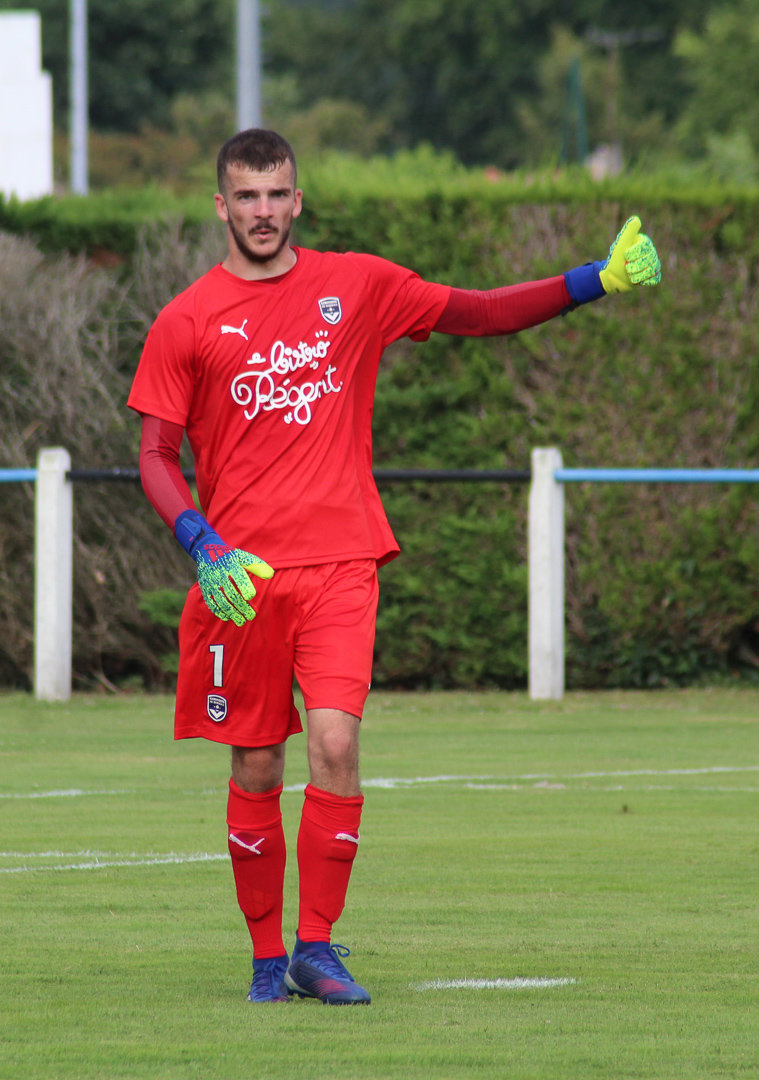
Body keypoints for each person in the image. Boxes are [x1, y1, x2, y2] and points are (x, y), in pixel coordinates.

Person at [126, 128, 661, 1005]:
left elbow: (480, 311)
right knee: (256, 767)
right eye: (247, 197)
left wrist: (595, 279)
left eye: (278, 195)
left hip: (343, 561)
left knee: (336, 744)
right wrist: (198, 538)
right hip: (242, 580)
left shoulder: (358, 285)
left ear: (299, 201)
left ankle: (317, 948)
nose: (264, 212)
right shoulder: (187, 318)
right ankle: (266, 960)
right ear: (221, 206)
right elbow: (154, 452)